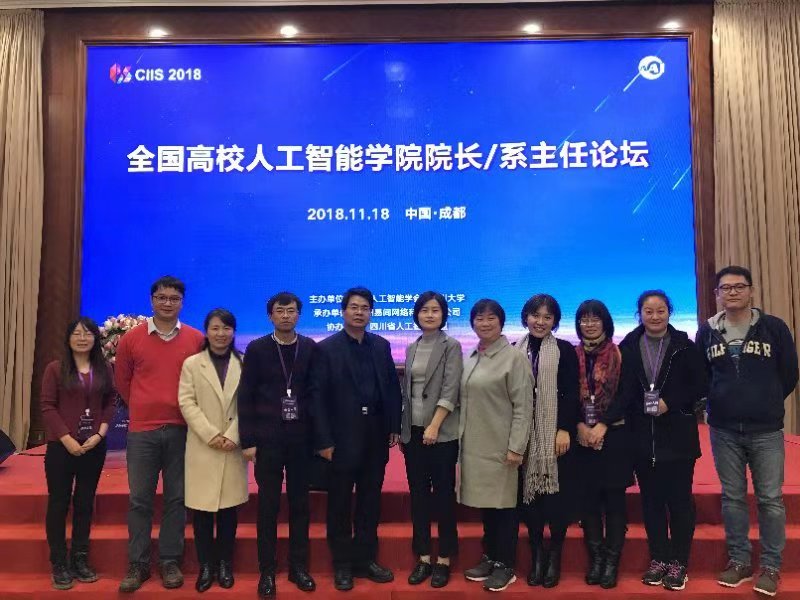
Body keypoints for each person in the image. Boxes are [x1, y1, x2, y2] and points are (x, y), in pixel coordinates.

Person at [696, 266, 799, 597]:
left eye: (739, 287)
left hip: (766, 430)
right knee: (733, 497)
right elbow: (702, 376)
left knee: (770, 499)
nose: (733, 292)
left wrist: (765, 400)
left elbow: (789, 373)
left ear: (751, 291)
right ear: (717, 295)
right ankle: (739, 560)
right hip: (723, 429)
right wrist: (720, 402)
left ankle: (770, 566)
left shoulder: (773, 327)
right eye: (725, 288)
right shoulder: (707, 331)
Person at [115, 276, 205, 593]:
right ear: (152, 300)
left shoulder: (195, 339)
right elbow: (123, 382)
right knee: (140, 500)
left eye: (174, 298)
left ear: (182, 302)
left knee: (176, 499)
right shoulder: (131, 339)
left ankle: (169, 561)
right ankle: (138, 564)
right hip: (143, 432)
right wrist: (144, 406)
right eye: (162, 297)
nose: (168, 303)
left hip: (182, 430)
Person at [313, 287, 403, 591]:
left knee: (369, 502)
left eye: (365, 308)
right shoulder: (326, 349)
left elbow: (391, 388)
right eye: (354, 307)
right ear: (343, 311)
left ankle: (366, 560)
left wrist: (393, 424)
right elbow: (317, 399)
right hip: (340, 441)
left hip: (375, 438)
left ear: (371, 313)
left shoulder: (381, 345)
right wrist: (323, 441)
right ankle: (342, 564)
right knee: (339, 504)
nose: (359, 312)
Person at [619, 290, 707, 591]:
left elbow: (700, 384)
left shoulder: (684, 345)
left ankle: (679, 562)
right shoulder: (628, 346)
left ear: (669, 312)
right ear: (639, 314)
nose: (655, 316)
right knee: (651, 503)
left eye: (660, 311)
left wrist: (672, 401)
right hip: (642, 439)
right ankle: (658, 558)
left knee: (680, 503)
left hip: (678, 438)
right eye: (648, 311)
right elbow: (625, 391)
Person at [238, 292, 318, 598]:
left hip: (301, 441)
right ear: (270, 316)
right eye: (280, 311)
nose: (286, 315)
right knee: (268, 507)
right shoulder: (257, 349)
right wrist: (248, 440)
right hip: (267, 440)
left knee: (300, 505)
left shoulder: (309, 348)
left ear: (299, 314)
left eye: (291, 310)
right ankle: (267, 571)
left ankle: (299, 567)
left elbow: (316, 393)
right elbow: (246, 396)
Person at [460, 299, 533, 593]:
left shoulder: (514, 358)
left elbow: (523, 406)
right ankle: (490, 556)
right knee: (488, 505)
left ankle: (506, 565)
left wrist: (516, 446)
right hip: (476, 446)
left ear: (501, 322)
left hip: (502, 447)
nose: (485, 323)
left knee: (505, 508)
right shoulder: (472, 356)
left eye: (491, 318)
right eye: (479, 318)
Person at [40, 317, 116, 590]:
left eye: (87, 334)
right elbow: (48, 406)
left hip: (93, 446)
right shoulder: (55, 369)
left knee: (85, 503)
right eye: (77, 333)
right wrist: (66, 439)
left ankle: (80, 558)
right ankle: (59, 562)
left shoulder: (105, 368)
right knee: (59, 503)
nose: (82, 338)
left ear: (96, 338)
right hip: (62, 447)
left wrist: (100, 434)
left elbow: (110, 402)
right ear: (68, 338)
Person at [178, 308, 248, 593]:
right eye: (215, 328)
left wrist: (232, 435)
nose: (221, 334)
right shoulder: (192, 364)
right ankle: (206, 566)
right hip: (203, 446)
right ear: (206, 332)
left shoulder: (244, 363)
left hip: (232, 446)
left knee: (229, 512)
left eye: (226, 328)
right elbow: (186, 402)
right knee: (203, 513)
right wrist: (210, 434)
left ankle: (225, 565)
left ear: (233, 332)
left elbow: (250, 403)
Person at [514, 294, 580, 589]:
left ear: (555, 321)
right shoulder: (514, 350)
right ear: (525, 317)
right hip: (524, 436)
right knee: (530, 501)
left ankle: (555, 555)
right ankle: (537, 555)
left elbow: (571, 392)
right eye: (535, 315)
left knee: (556, 500)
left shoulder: (564, 350)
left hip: (555, 436)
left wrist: (563, 429)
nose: (540, 322)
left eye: (547, 317)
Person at [401, 291, 463, 589]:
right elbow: (409, 393)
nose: (429, 315)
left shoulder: (451, 346)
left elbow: (451, 389)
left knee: (443, 497)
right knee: (419, 496)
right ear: (417, 315)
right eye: (424, 310)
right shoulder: (412, 348)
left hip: (441, 434)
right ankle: (424, 556)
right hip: (413, 433)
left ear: (443, 315)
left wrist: (435, 425)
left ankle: (445, 559)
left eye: (435, 310)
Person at [573, 299, 631, 590]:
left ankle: (611, 561)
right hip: (582, 437)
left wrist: (603, 425)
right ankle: (595, 558)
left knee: (615, 501)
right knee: (589, 501)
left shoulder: (620, 354)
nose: (590, 324)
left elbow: (626, 395)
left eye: (595, 319)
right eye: (584, 319)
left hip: (615, 436)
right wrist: (581, 426)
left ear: (605, 322)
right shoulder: (570, 356)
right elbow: (566, 395)